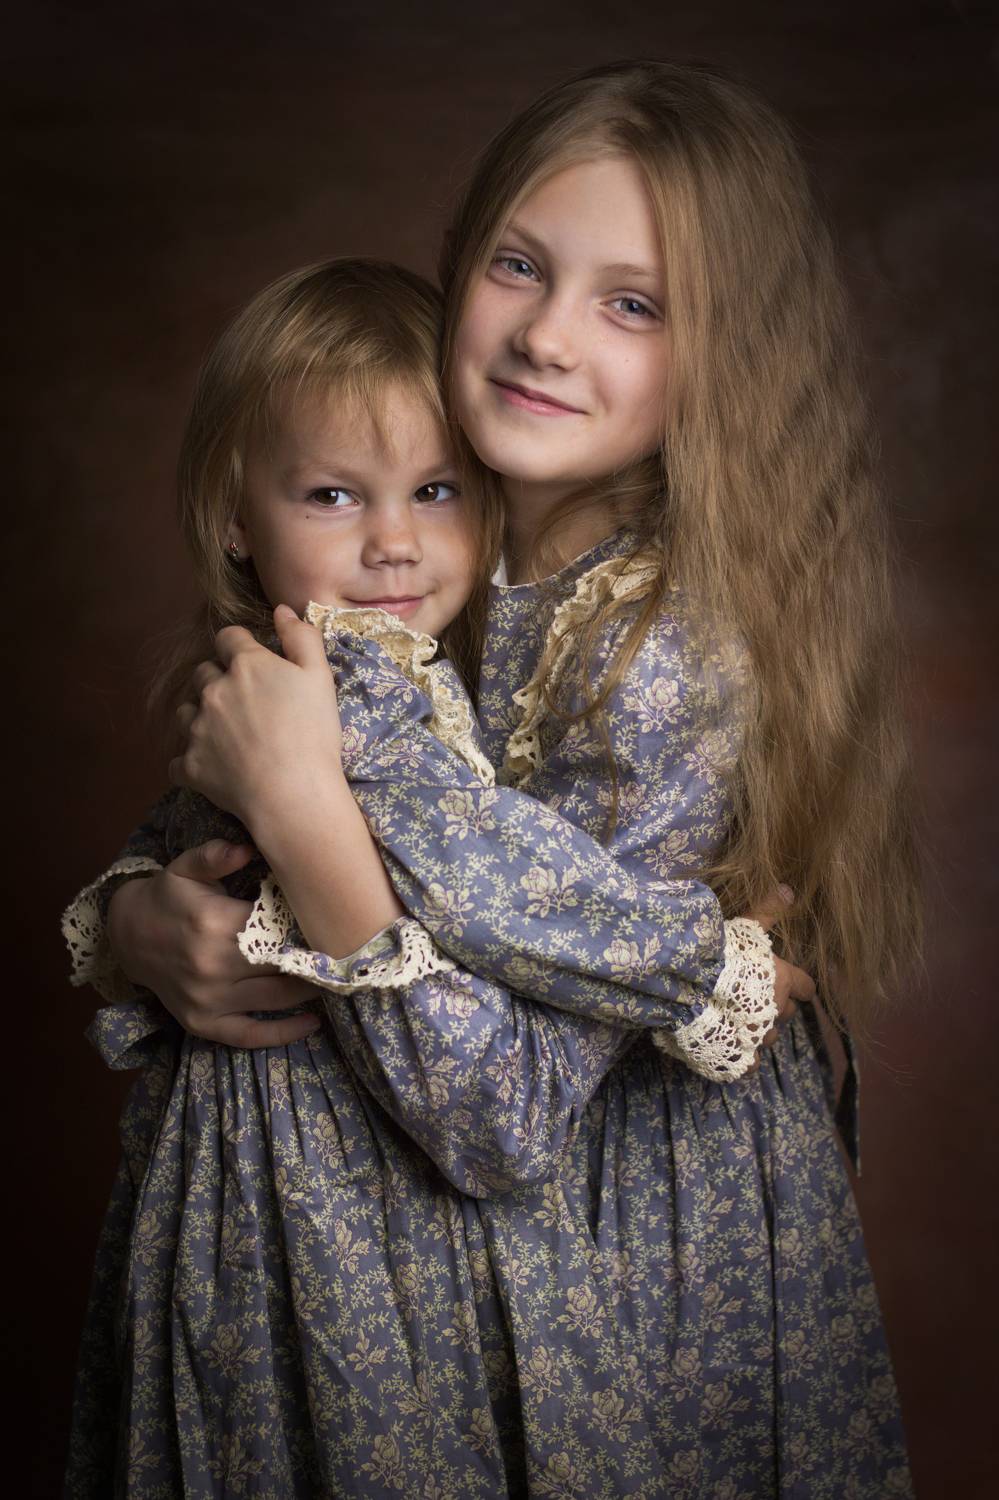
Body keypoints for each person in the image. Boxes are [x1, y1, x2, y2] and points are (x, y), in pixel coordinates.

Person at [79, 61, 919, 1497]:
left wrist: (303, 809)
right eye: (520, 266)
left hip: (631, 1249)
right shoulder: (430, 554)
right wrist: (139, 921)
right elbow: (230, 822)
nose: (546, 334)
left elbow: (496, 1116)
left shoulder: (663, 661)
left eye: (634, 304)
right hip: (426, 1242)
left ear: (726, 356)